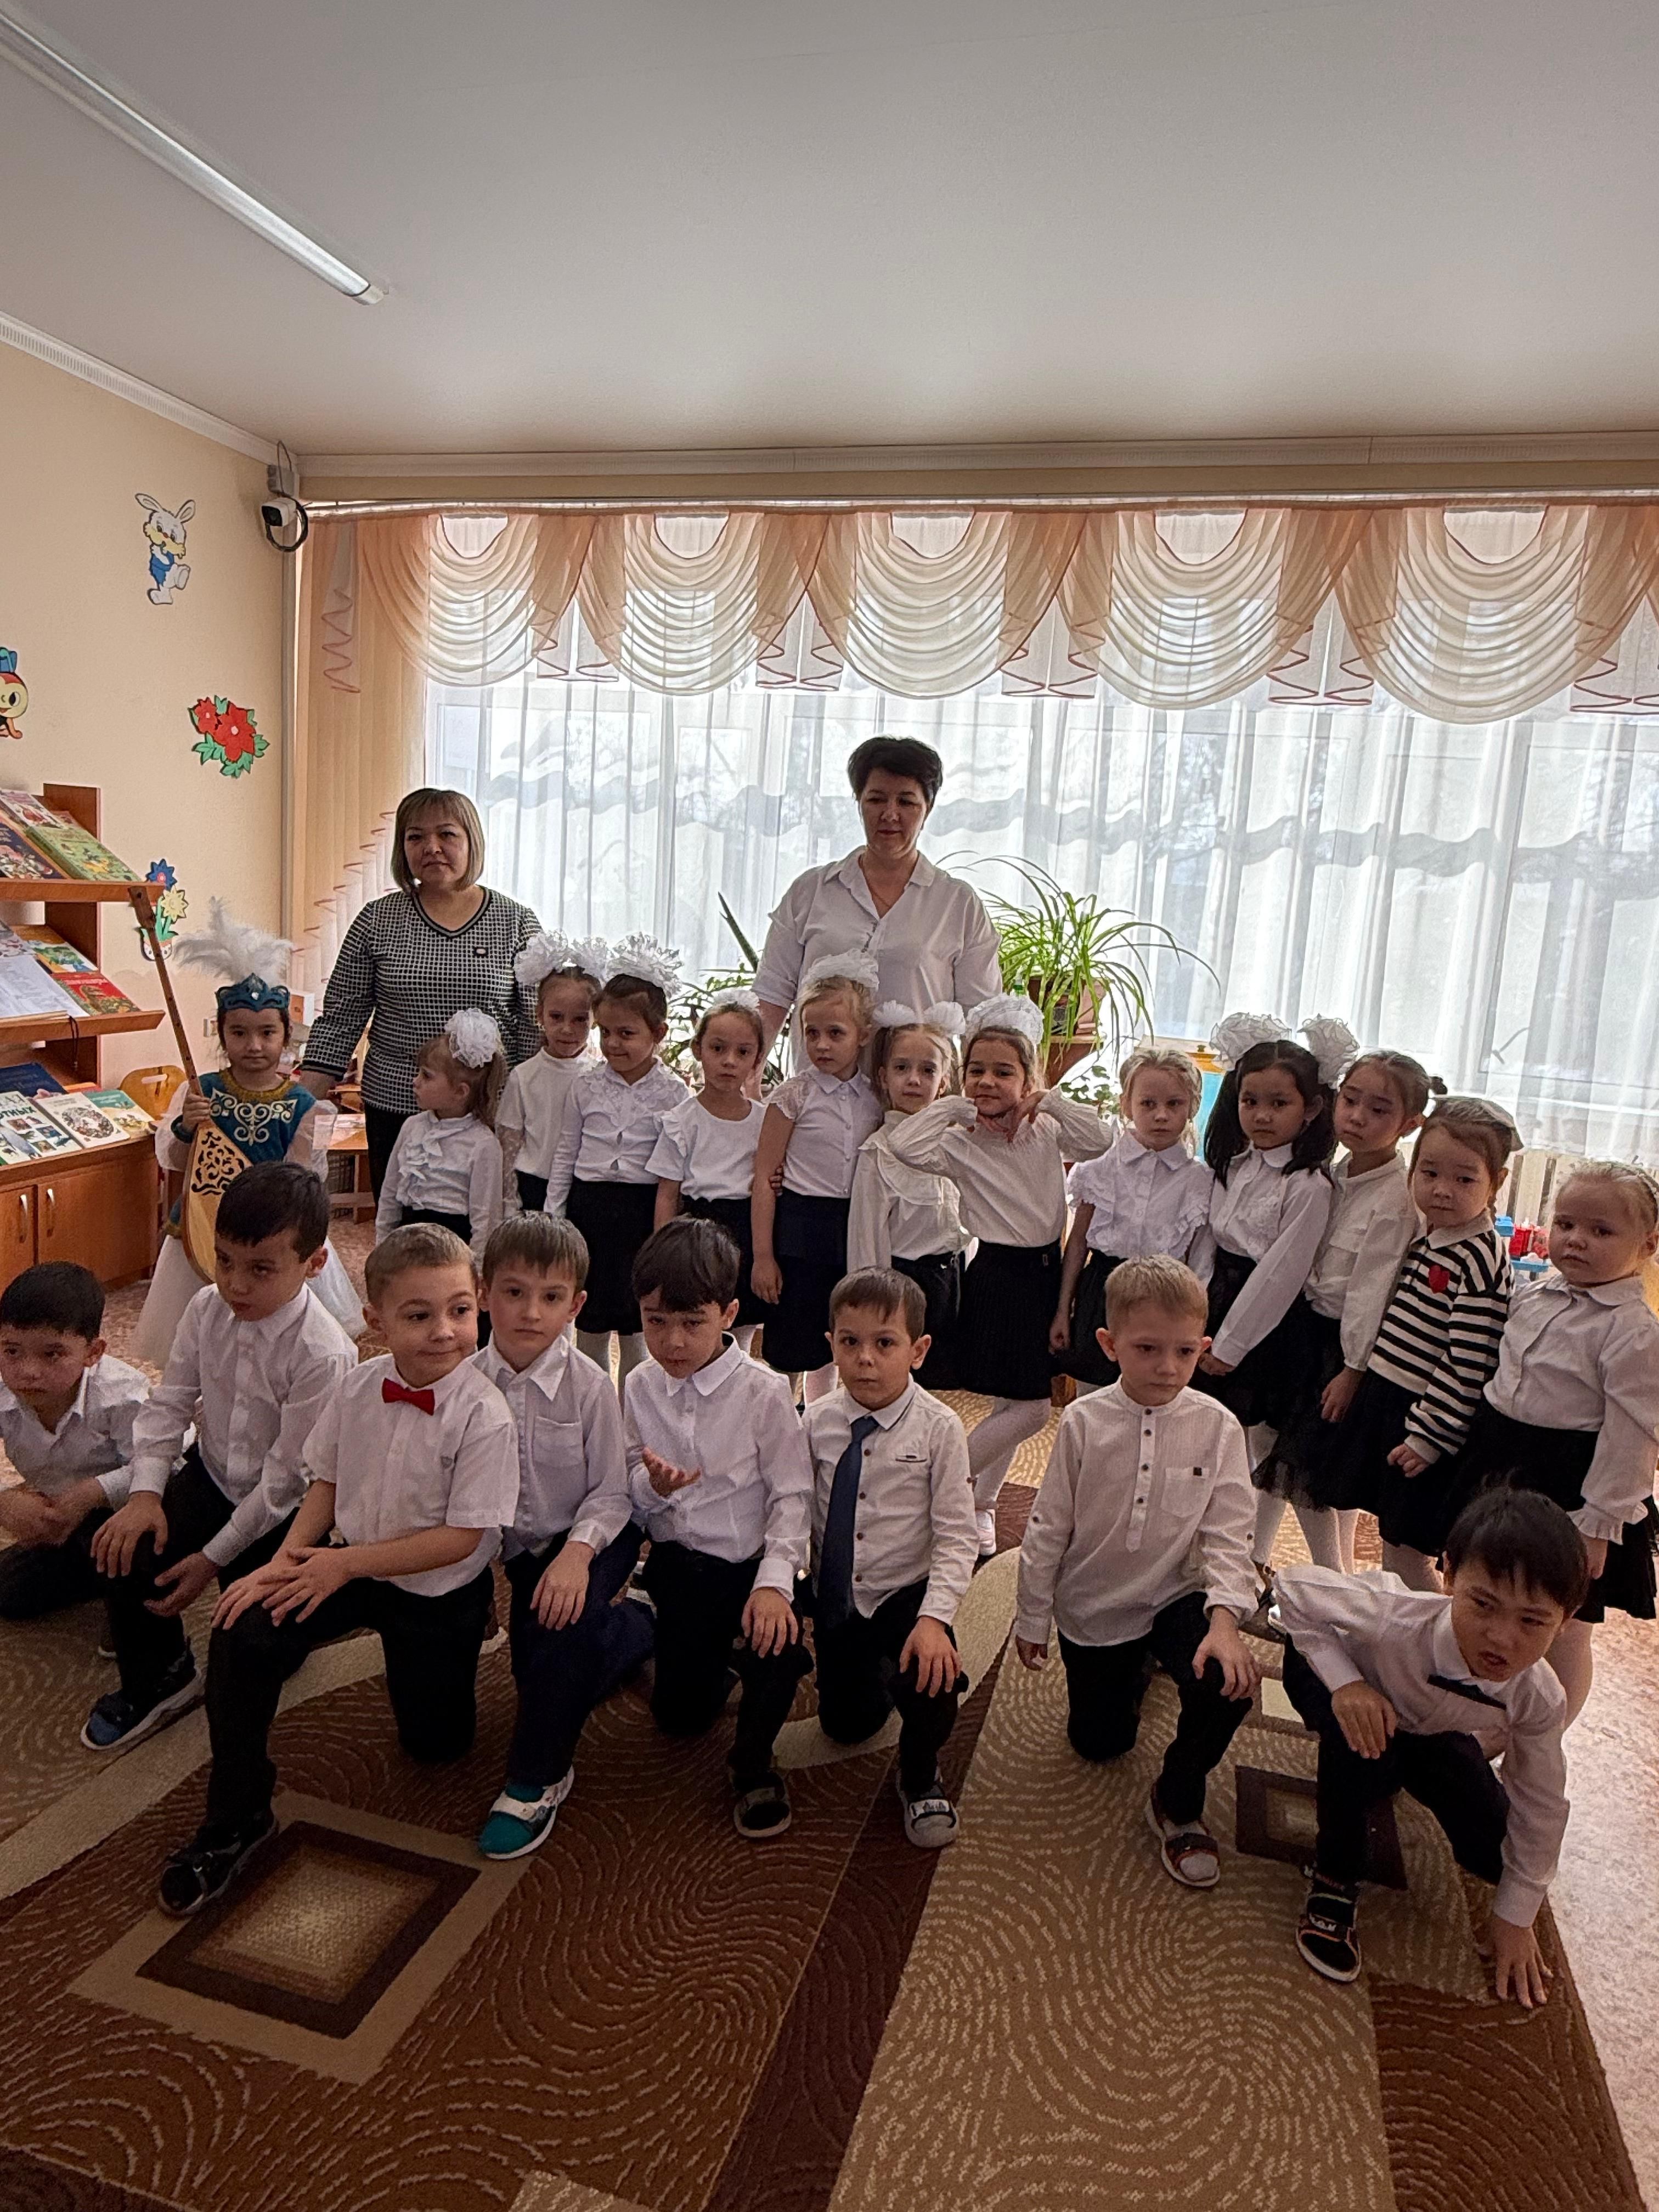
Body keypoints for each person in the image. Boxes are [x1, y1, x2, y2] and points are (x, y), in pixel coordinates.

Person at [156, 1223, 518, 1916]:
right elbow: (324, 1478)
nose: (444, 1331)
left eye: (459, 1310)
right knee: (243, 1628)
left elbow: (463, 1537)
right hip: (349, 1566)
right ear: (377, 1322)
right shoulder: (358, 1386)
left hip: (437, 1590)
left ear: (478, 1303)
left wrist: (341, 1564)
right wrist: (286, 1562)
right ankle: (236, 1816)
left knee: (436, 1748)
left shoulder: (486, 1415)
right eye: (419, 1315)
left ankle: (475, 1624)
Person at [84, 1164, 356, 1753]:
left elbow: (285, 1481)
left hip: (284, 1514)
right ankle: (163, 1676)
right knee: (126, 1549)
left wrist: (211, 1560)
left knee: (254, 1636)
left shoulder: (325, 1353)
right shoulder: (206, 1308)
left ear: (314, 1264)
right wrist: (145, 1496)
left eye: (261, 1269)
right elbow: (170, 1404)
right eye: (225, 1260)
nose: (235, 1284)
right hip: (211, 1474)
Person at [1276, 1488, 1583, 2005]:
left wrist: (1515, 1916)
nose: (1502, 1639)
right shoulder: (1393, 1616)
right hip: (1331, 1673)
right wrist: (1346, 1683)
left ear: (1566, 1619)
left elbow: (1542, 1801)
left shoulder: (1540, 1697)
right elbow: (1292, 1589)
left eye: (1531, 1621)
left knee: (1498, 1856)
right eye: (1483, 1605)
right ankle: (1334, 1878)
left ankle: (1392, 1767)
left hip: (1430, 1725)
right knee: (1362, 1748)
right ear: (1449, 1575)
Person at [1015, 1256, 1260, 1889]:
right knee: (1102, 1745)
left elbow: (1231, 1533)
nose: (1167, 1367)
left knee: (1229, 1685)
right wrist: (1033, 1616)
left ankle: (1177, 1802)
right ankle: (1136, 1671)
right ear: (1109, 1344)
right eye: (1148, 1349)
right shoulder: (1082, 1422)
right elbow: (1047, 1527)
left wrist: (1226, 1621)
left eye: (1184, 1351)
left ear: (1203, 1347)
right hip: (1094, 1607)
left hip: (1179, 1595)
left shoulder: (1219, 1428)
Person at [887, 993, 1110, 1557]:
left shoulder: (1046, 1130)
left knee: (1014, 1406)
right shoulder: (959, 1143)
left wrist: (1049, 1101)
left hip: (1045, 1275)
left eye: (1003, 1072)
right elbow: (903, 1145)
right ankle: (938, 1485)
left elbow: (1102, 1139)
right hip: (996, 1276)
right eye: (976, 1071)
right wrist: (951, 1108)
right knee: (1030, 1409)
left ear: (1026, 1078)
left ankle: (980, 1505)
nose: (987, 1081)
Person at [1440, 1161, 1659, 1723]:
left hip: (1570, 1481)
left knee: (1566, 1622)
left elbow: (1633, 1436)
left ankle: (1546, 1734)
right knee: (1487, 1590)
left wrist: (1598, 1523)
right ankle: (1471, 1708)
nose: (1576, 1240)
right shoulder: (1536, 1292)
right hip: (1500, 1460)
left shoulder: (1633, 1331)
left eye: (1601, 1231)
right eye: (1566, 1224)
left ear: (1647, 1245)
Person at [624, 1219, 814, 1841]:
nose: (673, 1341)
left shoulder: (763, 1392)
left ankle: (753, 1764)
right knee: (679, 1719)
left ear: (729, 1314)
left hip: (749, 1569)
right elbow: (627, 1476)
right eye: (655, 1321)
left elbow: (793, 1494)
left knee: (776, 1652)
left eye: (692, 1322)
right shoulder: (638, 1385)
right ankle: (682, 1641)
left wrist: (776, 1583)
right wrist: (653, 1486)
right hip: (678, 1567)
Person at [472, 1212, 653, 1860]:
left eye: (551, 1297)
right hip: (520, 1549)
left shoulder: (591, 1387)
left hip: (593, 1534)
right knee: (546, 1673)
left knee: (559, 1639)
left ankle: (537, 1780)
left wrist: (578, 1557)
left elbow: (613, 1492)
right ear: (484, 1293)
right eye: (514, 1292)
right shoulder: (466, 1382)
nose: (530, 1312)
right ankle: (636, 1625)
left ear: (575, 1305)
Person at [133, 899, 363, 1365]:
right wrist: (187, 1126)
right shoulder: (201, 1091)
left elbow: (306, 1179)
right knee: (204, 1335)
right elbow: (173, 1161)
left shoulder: (303, 1106)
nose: (254, 1045)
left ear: (285, 1036)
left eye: (267, 1033)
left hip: (273, 1232)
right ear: (223, 1035)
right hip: (206, 1226)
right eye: (239, 1033)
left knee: (276, 1331)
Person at [296, 786, 541, 1197]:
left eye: (447, 834)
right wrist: (296, 1105)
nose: (432, 847)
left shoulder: (516, 922)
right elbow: (340, 1020)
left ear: (472, 842)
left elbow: (535, 1026)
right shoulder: (376, 920)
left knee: (484, 1224)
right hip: (397, 1107)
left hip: (488, 1111)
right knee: (402, 1224)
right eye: (416, 837)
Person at [805, 1269, 977, 1847]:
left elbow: (958, 1536)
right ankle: (872, 1673)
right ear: (831, 1344)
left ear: (918, 1350)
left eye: (885, 1343)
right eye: (849, 1342)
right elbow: (794, 1509)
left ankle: (920, 1773)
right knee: (846, 1727)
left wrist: (935, 1620)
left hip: (907, 1591)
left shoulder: (940, 1429)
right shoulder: (816, 1421)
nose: (865, 1359)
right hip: (837, 1593)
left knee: (934, 1683)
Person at [1254, 1046, 1439, 1576]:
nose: (1357, 1116)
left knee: (1310, 1471)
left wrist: (1353, 1370)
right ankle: (1255, 1560)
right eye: (1350, 1101)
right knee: (1275, 1451)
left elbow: (1371, 1293)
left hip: (1344, 1349)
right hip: (1304, 1330)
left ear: (1409, 1124)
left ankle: (1332, 1580)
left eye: (1378, 1110)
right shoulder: (1334, 1173)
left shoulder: (1396, 1200)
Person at [1326, 1097, 1519, 1592]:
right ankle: (1404, 1626)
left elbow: (1468, 1363)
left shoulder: (1478, 1257)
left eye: (1464, 1179)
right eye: (1429, 1173)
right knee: (1392, 1542)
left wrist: (1430, 1436)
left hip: (1426, 1416)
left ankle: (1435, 1630)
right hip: (1390, 1401)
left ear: (1496, 1183)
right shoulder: (1432, 1237)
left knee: (1409, 1550)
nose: (1442, 1190)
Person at [754, 736, 1001, 1067]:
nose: (890, 814)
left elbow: (982, 1018)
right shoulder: (810, 891)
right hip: (818, 1091)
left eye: (906, 802)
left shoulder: (959, 904)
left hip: (916, 1092)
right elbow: (771, 996)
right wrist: (748, 1077)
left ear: (927, 809)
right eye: (876, 799)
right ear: (859, 802)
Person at [1192, 1020, 1342, 1471]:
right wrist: (1193, 1309)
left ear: (1311, 1108)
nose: (1262, 1116)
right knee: (1210, 1430)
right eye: (1250, 1101)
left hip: (1266, 1320)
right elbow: (1208, 1242)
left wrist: (1231, 1345)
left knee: (1260, 1440)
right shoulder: (1234, 1165)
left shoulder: (1307, 1184)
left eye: (1279, 1104)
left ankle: (1253, 1519)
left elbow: (1281, 1273)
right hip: (1215, 1301)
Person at [545, 935, 687, 1390]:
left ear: (658, 1034)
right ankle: (592, 1406)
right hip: (590, 1209)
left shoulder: (674, 1093)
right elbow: (566, 1152)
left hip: (641, 1214)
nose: (612, 1043)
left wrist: (667, 1232)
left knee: (635, 1324)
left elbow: (676, 1171)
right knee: (589, 1321)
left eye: (626, 1034)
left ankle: (632, 1410)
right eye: (605, 1032)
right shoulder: (585, 1087)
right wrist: (555, 1214)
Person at [751, 953, 883, 1399]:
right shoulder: (794, 1095)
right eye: (811, 1033)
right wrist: (764, 1256)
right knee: (791, 1343)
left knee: (837, 1335)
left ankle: (822, 1420)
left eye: (835, 1033)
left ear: (863, 1035)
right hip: (799, 1233)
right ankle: (778, 1418)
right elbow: (764, 1177)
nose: (822, 1045)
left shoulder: (876, 1098)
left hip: (852, 1229)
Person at [1050, 1045, 1213, 1395]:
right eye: (1148, 1104)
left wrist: (1192, 1328)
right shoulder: (1098, 1167)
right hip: (1102, 1294)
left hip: (1164, 1300)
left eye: (1174, 1104)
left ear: (1192, 1107)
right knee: (1093, 1396)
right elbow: (1077, 1244)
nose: (1161, 1116)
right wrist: (1063, 1309)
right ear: (1126, 1105)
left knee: (1152, 1396)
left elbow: (1199, 1264)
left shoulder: (1199, 1181)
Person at [0, 1264, 149, 1624]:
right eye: (12, 1351)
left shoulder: (122, 1396)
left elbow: (168, 1464)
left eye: (52, 1354)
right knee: (9, 1594)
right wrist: (4, 1501)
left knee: (132, 1559)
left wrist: (92, 1492)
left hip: (127, 1507)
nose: (28, 1371)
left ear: (93, 1352)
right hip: (61, 1507)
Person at [847, 1001, 970, 1391]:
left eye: (927, 1070)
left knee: (937, 1386)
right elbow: (866, 1240)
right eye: (902, 1068)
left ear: (944, 1081)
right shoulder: (879, 1152)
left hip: (950, 1281)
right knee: (895, 1384)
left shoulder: (957, 1144)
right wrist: (874, 1308)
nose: (914, 1080)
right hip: (902, 1285)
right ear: (884, 1077)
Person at [650, 985, 771, 1353]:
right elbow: (667, 1193)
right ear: (698, 1049)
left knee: (741, 1323)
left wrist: (764, 1254)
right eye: (718, 1049)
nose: (729, 1061)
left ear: (757, 1059)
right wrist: (663, 1253)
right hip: (696, 1233)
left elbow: (772, 1178)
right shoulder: (682, 1121)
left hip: (747, 1228)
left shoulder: (766, 1122)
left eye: (743, 1052)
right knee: (697, 1319)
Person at [375, 1011, 507, 1267]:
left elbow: (486, 1219)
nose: (415, 1082)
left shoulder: (483, 1144)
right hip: (406, 1243)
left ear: (460, 1092)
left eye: (426, 1076)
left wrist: (476, 1272)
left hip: (452, 1252)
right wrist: (382, 1244)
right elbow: (390, 1193)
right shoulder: (412, 1127)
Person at [498, 930, 605, 1214]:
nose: (567, 1029)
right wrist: (509, 1203)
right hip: (532, 1185)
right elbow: (509, 1145)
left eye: (580, 1019)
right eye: (557, 1017)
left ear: (595, 1020)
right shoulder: (523, 1076)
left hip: (581, 1186)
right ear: (540, 1014)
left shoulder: (600, 1075)